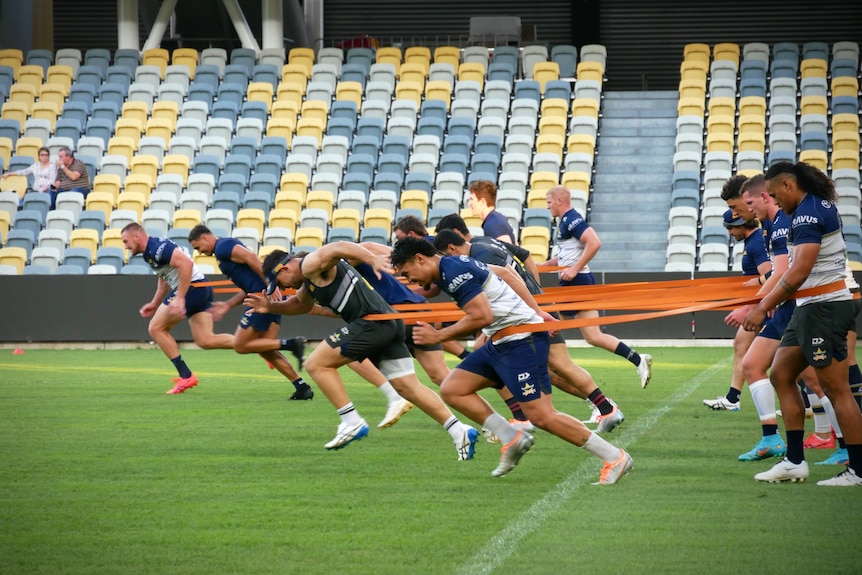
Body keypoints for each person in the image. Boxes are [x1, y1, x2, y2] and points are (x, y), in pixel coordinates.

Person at [390, 236, 633, 483]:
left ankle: (615, 457)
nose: (409, 281)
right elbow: (505, 273)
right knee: (453, 389)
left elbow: (482, 315)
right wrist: (537, 311)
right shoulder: (453, 265)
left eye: (407, 273)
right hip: (502, 340)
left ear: (420, 258)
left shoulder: (453, 271)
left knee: (542, 416)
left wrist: (438, 335)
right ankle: (512, 437)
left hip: (522, 340)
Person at [243, 243, 478, 457]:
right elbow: (298, 304)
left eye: (281, 283)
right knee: (408, 387)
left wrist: (372, 259)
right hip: (388, 322)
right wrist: (270, 306)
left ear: (283, 269)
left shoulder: (310, 264)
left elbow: (336, 247)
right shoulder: (309, 282)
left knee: (316, 364)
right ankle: (460, 431)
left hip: (372, 323)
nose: (285, 288)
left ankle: (350, 421)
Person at [433, 227, 625, 434]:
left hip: (526, 314)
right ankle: (601, 407)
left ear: (451, 248)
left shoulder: (480, 255)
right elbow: (525, 257)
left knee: (558, 365)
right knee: (552, 369)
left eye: (444, 257)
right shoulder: (485, 242)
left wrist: (535, 308)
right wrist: (537, 296)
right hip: (530, 309)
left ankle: (602, 409)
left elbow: (507, 277)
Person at [742, 161, 862, 486]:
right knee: (781, 374)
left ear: (787, 186)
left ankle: (858, 470)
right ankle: (795, 461)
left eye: (774, 195)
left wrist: (762, 307)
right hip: (808, 308)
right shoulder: (805, 210)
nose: (774, 202)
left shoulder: (808, 215)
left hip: (824, 307)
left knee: (837, 389)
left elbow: (798, 271)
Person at [724, 174, 807, 461]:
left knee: (819, 381)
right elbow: (776, 273)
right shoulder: (771, 226)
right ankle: (773, 439)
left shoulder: (780, 225)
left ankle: (839, 445)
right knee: (754, 364)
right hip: (784, 307)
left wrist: (756, 305)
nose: (737, 215)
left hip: (800, 307)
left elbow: (781, 272)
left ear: (762, 198)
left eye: (740, 206)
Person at [543, 185, 652, 388]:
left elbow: (594, 242)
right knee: (592, 336)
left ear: (559, 201)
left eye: (549, 202)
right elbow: (567, 255)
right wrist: (542, 266)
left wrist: (575, 269)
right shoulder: (564, 222)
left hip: (576, 283)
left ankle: (554, 371)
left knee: (549, 327)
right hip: (580, 282)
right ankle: (638, 359)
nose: (548, 207)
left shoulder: (570, 219)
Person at [186, 225, 312, 400]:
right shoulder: (223, 252)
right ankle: (301, 387)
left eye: (198, 247)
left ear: (206, 238)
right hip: (266, 298)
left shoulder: (223, 247)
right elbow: (248, 285)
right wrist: (228, 305)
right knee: (266, 348)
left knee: (240, 345)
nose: (199, 252)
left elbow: (251, 257)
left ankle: (291, 344)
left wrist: (270, 284)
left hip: (262, 300)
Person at [120, 223, 235, 394]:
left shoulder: (157, 248)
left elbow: (186, 264)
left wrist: (180, 298)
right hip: (200, 288)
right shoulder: (150, 252)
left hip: (192, 289)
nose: (126, 246)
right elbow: (164, 278)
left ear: (137, 236)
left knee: (156, 328)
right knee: (206, 340)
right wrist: (154, 303)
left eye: (126, 241)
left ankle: (186, 375)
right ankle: (252, 344)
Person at [703, 207, 771, 411]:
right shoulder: (753, 242)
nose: (730, 233)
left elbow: (770, 277)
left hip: (764, 307)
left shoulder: (757, 243)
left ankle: (811, 400)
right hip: (758, 306)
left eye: (731, 228)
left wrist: (750, 308)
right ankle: (733, 398)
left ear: (743, 225)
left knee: (784, 362)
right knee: (741, 344)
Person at [393, 214, 473, 361]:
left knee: (434, 325)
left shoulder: (431, 248)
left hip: (480, 300)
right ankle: (468, 357)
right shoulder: (432, 247)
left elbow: (432, 289)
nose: (399, 243)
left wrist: (405, 294)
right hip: (474, 298)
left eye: (399, 238)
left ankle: (469, 357)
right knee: (435, 325)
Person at [468, 179, 516, 244]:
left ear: (482, 202)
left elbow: (506, 251)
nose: (469, 203)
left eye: (472, 199)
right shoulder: (497, 219)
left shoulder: (493, 224)